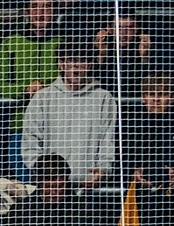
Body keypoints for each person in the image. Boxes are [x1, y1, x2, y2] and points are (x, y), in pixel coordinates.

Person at [21, 42, 115, 184]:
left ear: (90, 64)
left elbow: (108, 139)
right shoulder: (42, 98)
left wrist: (103, 170)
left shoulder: (103, 98)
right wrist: (46, 176)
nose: (75, 66)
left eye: (82, 60)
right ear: (60, 63)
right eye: (70, 60)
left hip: (90, 186)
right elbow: (30, 142)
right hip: (51, 189)